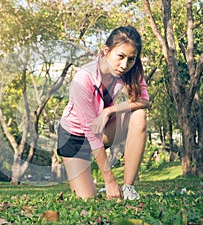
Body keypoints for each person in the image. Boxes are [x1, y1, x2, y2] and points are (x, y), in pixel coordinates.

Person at [57, 25, 149, 200]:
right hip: (74, 139)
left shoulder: (130, 71)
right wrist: (109, 180)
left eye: (131, 59)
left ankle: (128, 188)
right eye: (120, 56)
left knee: (138, 115)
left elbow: (144, 101)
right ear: (106, 51)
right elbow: (91, 135)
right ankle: (102, 188)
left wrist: (109, 110)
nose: (125, 65)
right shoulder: (83, 78)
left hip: (102, 129)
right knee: (87, 198)